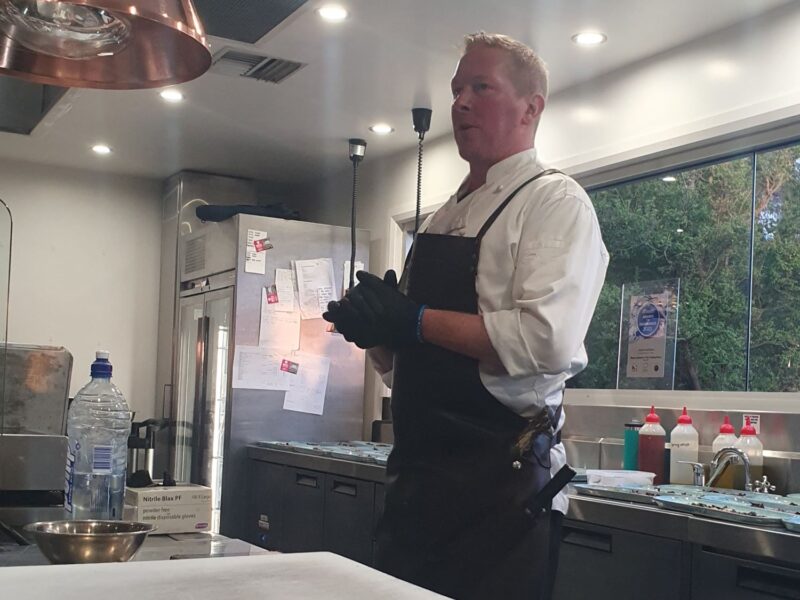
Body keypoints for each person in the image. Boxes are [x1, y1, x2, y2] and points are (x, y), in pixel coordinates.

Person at [323, 32, 608, 600]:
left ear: (531, 108)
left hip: (501, 495)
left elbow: (544, 341)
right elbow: (406, 368)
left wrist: (414, 319)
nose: (460, 103)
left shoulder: (554, 202)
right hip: (417, 483)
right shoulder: (441, 217)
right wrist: (378, 333)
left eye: (481, 87)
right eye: (457, 90)